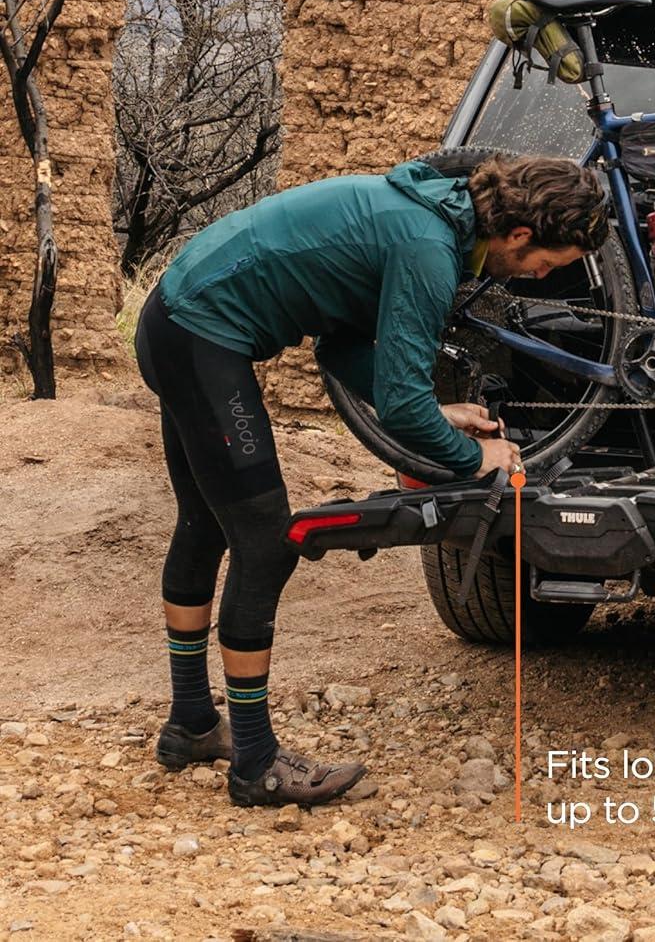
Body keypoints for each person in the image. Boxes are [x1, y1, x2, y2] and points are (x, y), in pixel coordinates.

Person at [135, 153, 608, 807]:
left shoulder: (435, 212)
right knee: (265, 544)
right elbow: (403, 407)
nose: (541, 276)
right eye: (548, 264)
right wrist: (475, 458)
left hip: (175, 317)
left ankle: (190, 724)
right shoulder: (429, 247)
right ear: (521, 234)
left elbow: (341, 346)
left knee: (205, 526)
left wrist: (437, 412)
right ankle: (256, 765)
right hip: (200, 333)